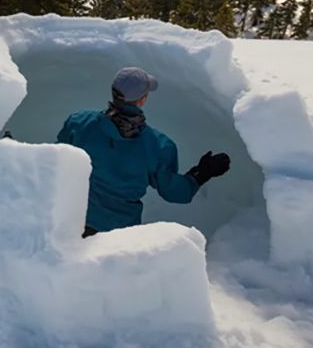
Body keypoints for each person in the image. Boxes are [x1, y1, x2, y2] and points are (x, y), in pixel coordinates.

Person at [56, 67, 230, 237]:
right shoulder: (158, 146)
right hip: (116, 234)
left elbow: (55, 162)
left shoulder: (79, 122)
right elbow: (174, 193)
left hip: (69, 220)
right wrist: (202, 173)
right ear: (142, 100)